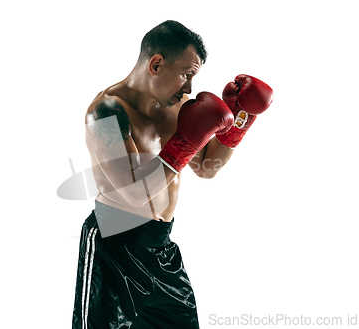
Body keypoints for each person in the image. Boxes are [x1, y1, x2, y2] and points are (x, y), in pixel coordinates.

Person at [72, 20, 273, 329]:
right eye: (186, 75)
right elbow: (133, 190)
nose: (189, 89)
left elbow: (206, 168)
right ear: (156, 64)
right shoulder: (106, 111)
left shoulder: (177, 106)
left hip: (160, 246)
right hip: (112, 246)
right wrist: (184, 143)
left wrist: (242, 119)